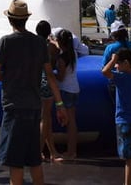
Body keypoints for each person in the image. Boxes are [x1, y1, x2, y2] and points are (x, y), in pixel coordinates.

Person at [0, 0, 67, 185]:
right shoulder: (39, 43)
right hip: (34, 107)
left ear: (10, 19)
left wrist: (10, 81)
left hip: (14, 108)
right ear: (26, 19)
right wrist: (60, 104)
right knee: (34, 161)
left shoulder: (6, 42)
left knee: (15, 163)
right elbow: (50, 75)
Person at [102, 47, 131, 185]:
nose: (116, 66)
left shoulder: (122, 78)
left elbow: (105, 72)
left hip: (125, 121)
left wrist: (113, 58)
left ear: (125, 63)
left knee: (129, 158)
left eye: (118, 63)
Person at [51, 28, 80, 161]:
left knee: (69, 122)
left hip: (65, 90)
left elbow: (61, 77)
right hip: (74, 88)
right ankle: (72, 150)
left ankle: (70, 151)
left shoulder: (62, 59)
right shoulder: (72, 53)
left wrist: (51, 73)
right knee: (72, 121)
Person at [33, 20, 59, 162]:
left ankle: (51, 150)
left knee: (44, 118)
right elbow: (57, 55)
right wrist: (54, 42)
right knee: (46, 118)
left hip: (35, 83)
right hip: (46, 83)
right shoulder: (50, 47)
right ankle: (39, 150)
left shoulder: (33, 45)